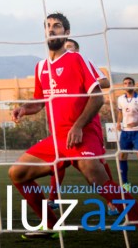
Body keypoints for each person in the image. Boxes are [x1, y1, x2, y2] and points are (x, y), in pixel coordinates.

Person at [9, 13, 138, 247]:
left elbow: (97, 98)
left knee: (97, 179)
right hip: (58, 139)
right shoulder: (41, 67)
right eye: (48, 26)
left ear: (66, 32)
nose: (52, 29)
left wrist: (78, 125)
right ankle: (51, 225)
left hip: (83, 134)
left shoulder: (77, 59)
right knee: (17, 173)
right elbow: (40, 102)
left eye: (57, 26)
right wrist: (24, 109)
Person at [46, 38, 117, 215]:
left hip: (87, 123)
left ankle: (112, 201)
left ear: (77, 51)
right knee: (58, 162)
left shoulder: (83, 63)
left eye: (71, 48)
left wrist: (81, 81)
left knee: (97, 164)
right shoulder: (52, 67)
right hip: (63, 124)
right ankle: (52, 199)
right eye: (66, 48)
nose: (67, 51)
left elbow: (106, 82)